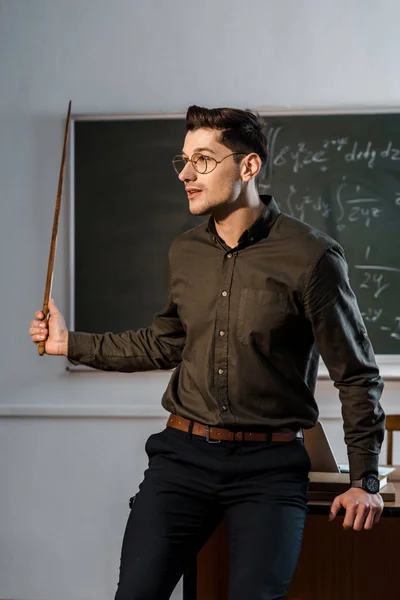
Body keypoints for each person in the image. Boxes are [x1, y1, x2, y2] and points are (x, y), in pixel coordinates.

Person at [29, 105, 385, 600]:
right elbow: (165, 342)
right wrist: (70, 344)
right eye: (182, 160)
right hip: (183, 458)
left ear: (248, 166)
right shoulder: (186, 252)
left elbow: (357, 374)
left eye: (202, 159)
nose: (186, 174)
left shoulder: (312, 257)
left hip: (270, 467)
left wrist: (364, 478)